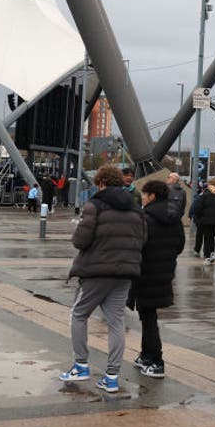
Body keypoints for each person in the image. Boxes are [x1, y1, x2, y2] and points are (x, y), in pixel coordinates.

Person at [59, 164, 146, 393]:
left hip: (96, 271)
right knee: (116, 322)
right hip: (125, 272)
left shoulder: (94, 206)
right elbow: (143, 239)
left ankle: (81, 365)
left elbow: (80, 241)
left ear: (100, 183)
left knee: (79, 314)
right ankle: (112, 377)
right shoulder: (136, 209)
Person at [130, 180, 185, 379]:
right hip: (164, 271)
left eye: (144, 195)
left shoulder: (145, 218)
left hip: (146, 272)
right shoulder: (174, 217)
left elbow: (137, 246)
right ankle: (146, 355)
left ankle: (156, 361)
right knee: (147, 315)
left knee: (149, 317)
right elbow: (180, 245)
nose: (142, 198)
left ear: (152, 196)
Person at [188, 178, 215, 264]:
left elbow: (198, 207)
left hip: (204, 220)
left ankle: (207, 256)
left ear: (209, 184)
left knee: (206, 237)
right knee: (211, 237)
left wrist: (198, 216)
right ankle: (211, 253)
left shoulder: (204, 194)